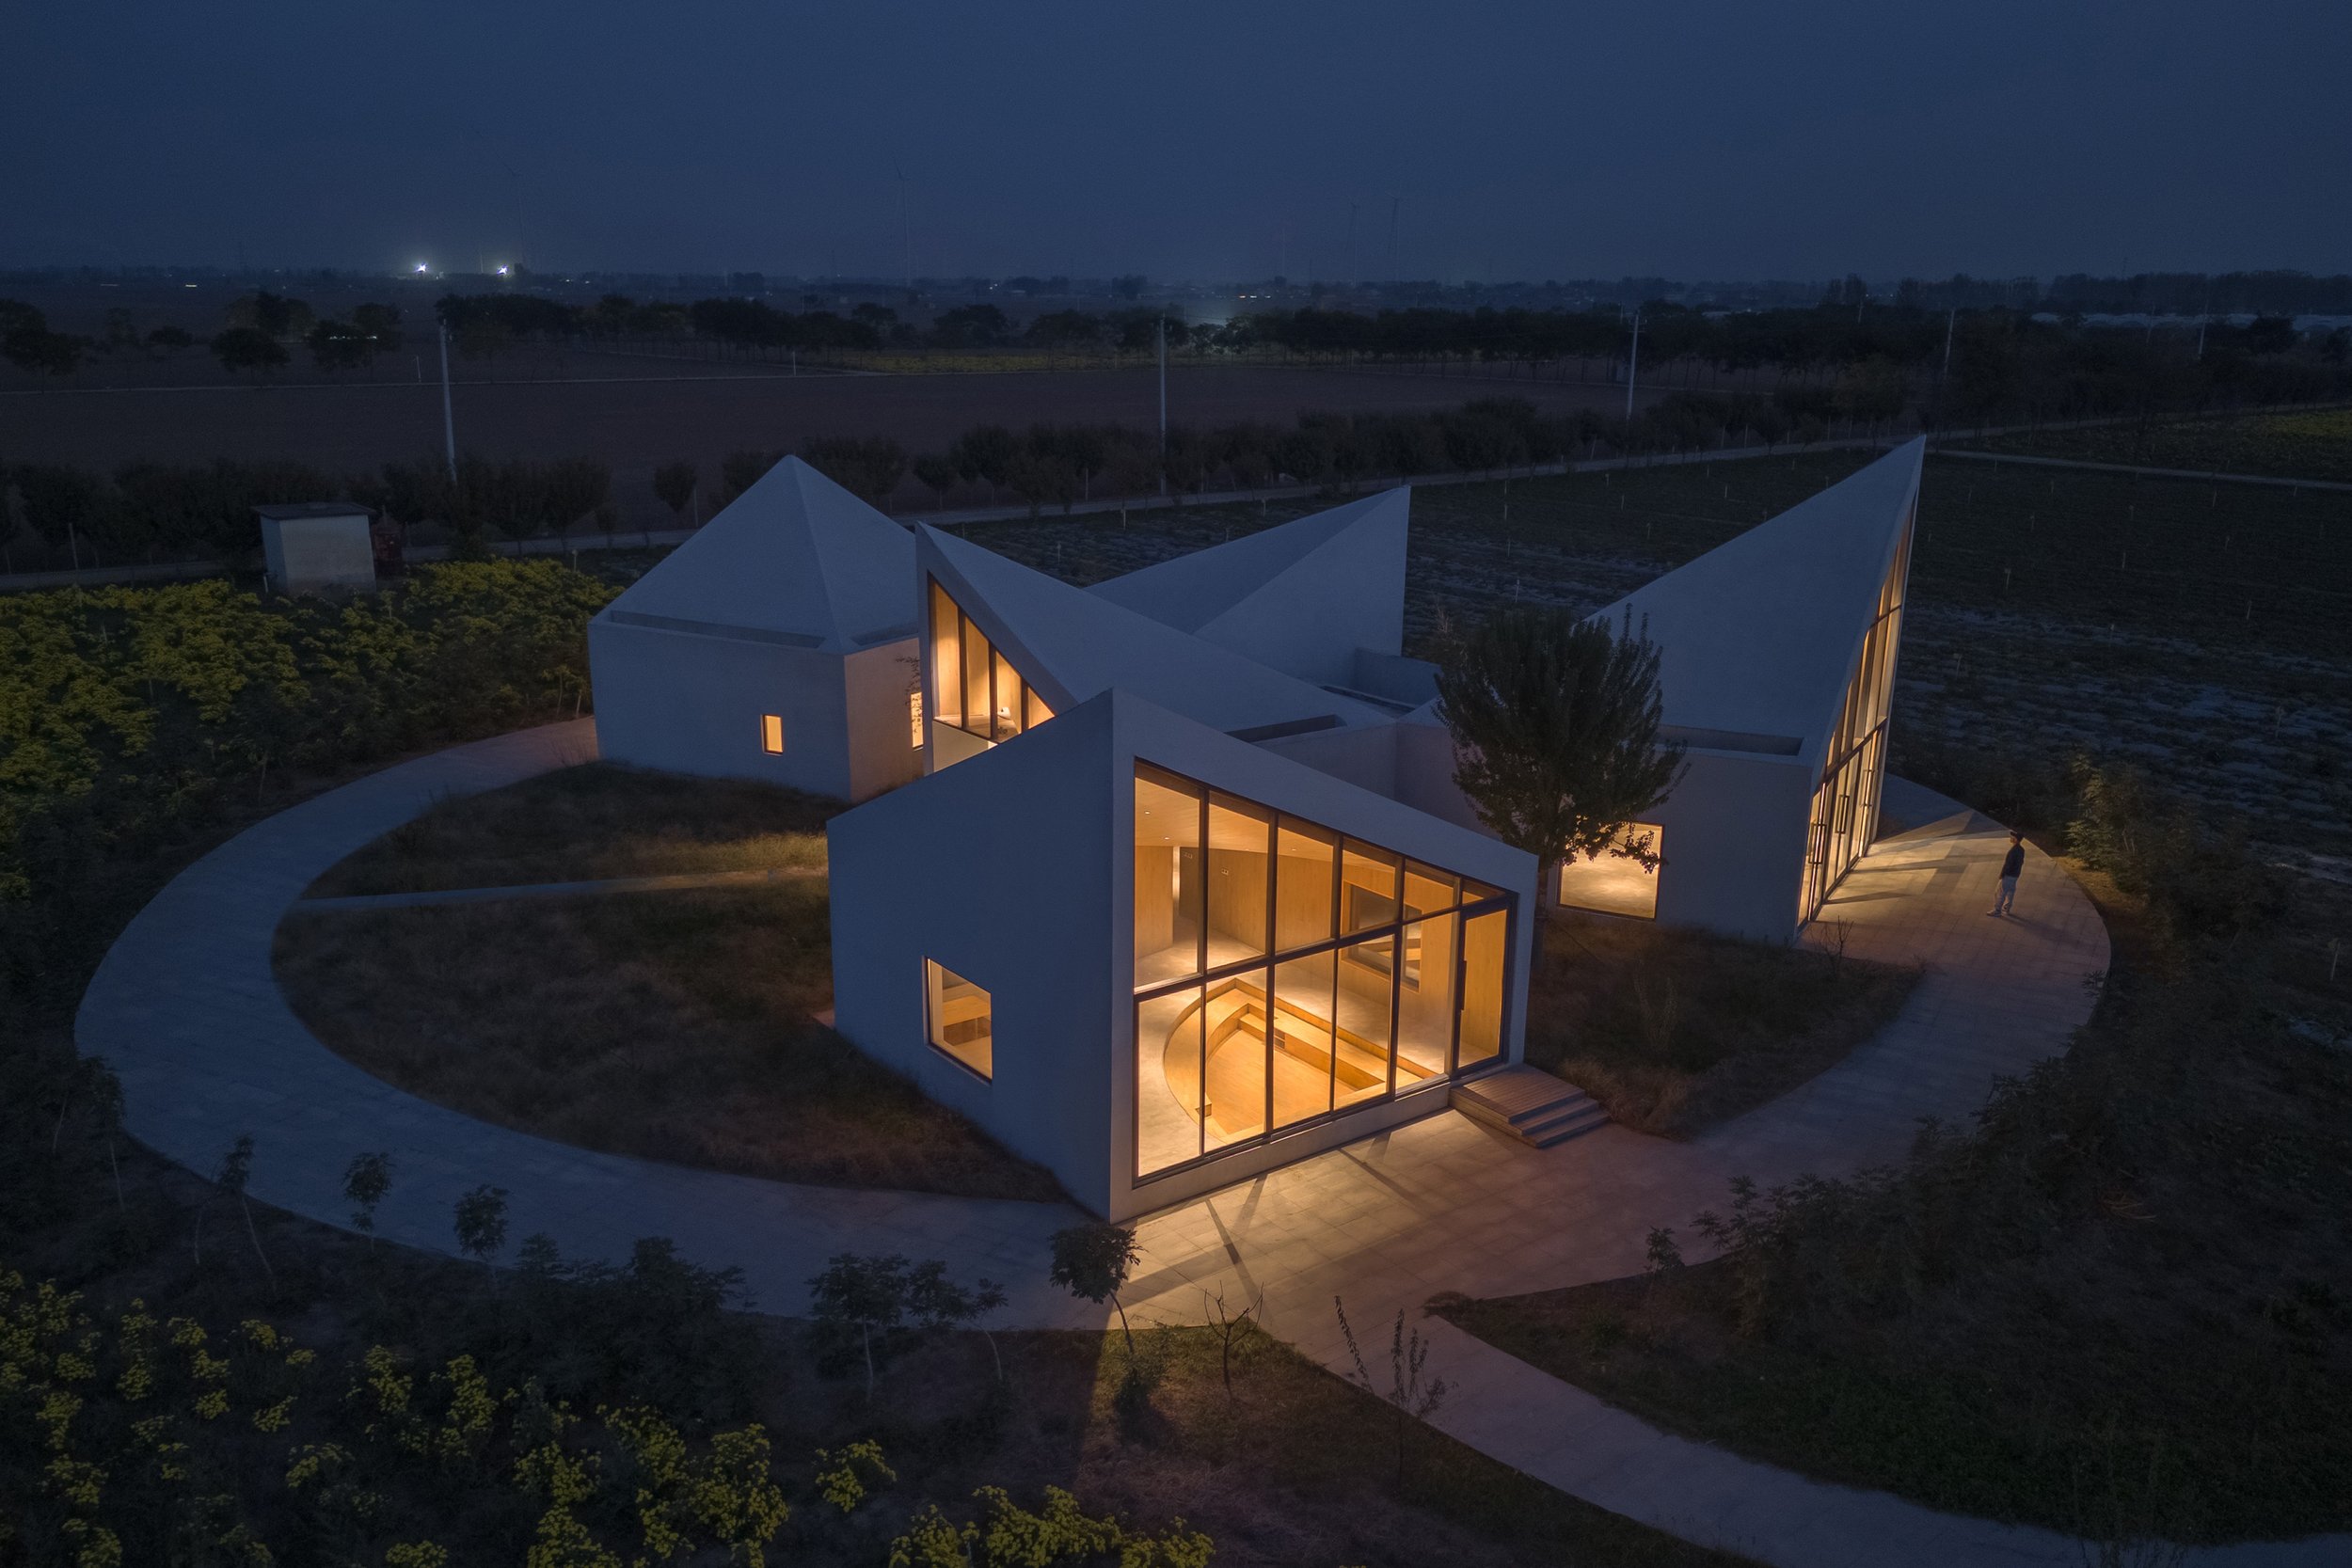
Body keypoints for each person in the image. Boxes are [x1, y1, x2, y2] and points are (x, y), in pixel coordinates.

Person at [1989, 831, 2026, 915]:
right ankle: (2006, 908)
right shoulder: (2021, 849)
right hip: (2015, 875)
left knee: (1999, 893)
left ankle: (1997, 910)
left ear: (2015, 839)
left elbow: (2008, 865)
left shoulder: (2013, 851)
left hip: (2009, 875)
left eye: (2012, 837)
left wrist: (2002, 874)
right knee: (2010, 892)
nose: (2010, 838)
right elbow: (2021, 862)